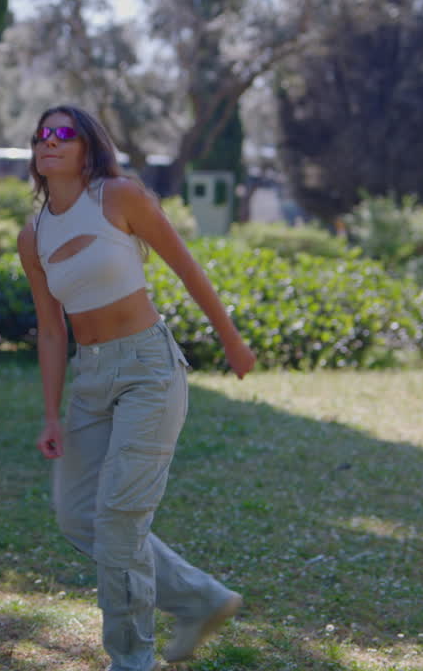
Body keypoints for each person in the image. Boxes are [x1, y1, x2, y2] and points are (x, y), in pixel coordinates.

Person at [16, 105, 257, 671]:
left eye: (63, 133)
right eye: (41, 135)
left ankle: (131, 661)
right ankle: (201, 600)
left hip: (149, 369)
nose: (49, 142)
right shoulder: (35, 236)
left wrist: (231, 340)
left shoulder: (119, 198)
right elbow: (52, 331)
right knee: (79, 516)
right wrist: (51, 415)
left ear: (85, 146)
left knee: (120, 521)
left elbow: (186, 266)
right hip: (91, 379)